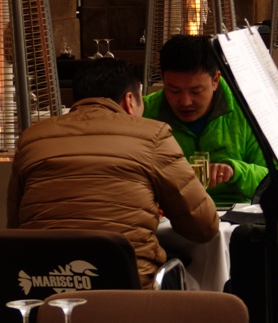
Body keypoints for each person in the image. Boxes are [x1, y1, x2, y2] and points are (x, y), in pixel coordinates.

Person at [7, 59, 219, 289]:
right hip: (127, 290)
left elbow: (16, 224)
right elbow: (203, 227)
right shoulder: (152, 135)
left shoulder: (32, 138)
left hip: (43, 286)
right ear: (130, 100)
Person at [143, 34, 267, 206]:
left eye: (196, 91)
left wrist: (236, 171)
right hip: (169, 213)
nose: (185, 102)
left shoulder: (247, 110)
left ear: (215, 80)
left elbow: (274, 181)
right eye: (174, 91)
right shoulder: (145, 113)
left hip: (234, 213)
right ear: (163, 79)